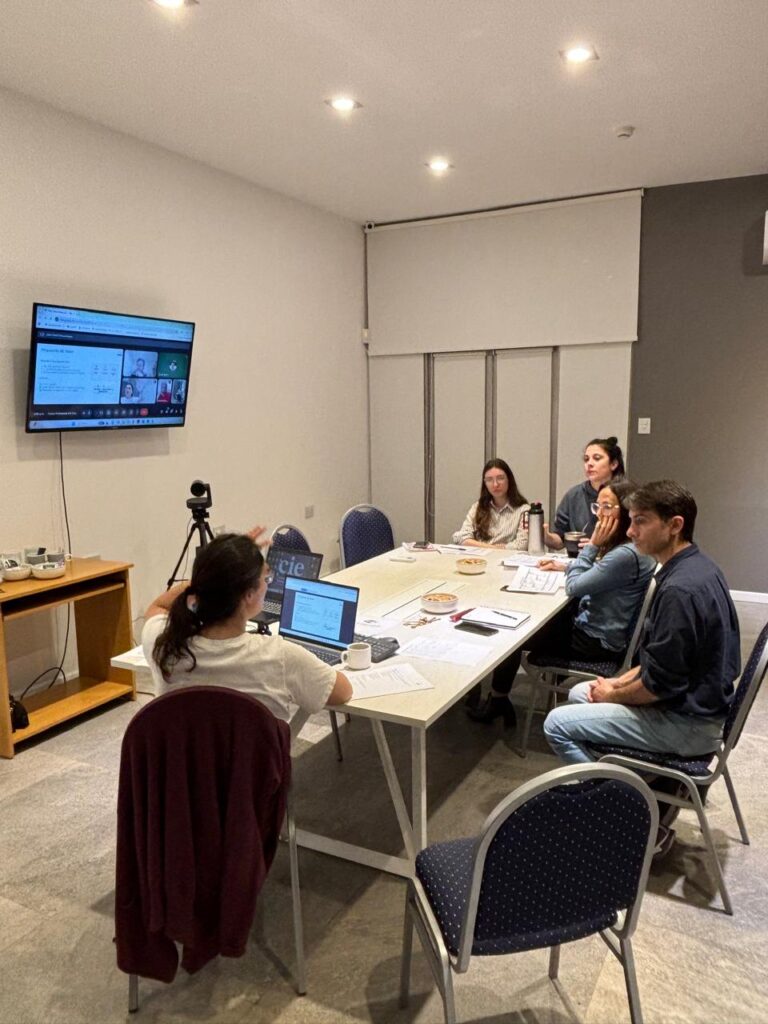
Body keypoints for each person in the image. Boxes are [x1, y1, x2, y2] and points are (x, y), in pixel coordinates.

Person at [543, 479, 740, 766]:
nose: (630, 530)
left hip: (689, 724)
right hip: (697, 704)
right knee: (579, 692)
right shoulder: (698, 566)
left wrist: (613, 694)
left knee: (556, 724)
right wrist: (615, 683)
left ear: (674, 525)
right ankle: (626, 773)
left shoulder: (679, 592)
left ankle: (616, 797)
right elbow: (659, 663)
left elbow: (658, 686)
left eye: (641, 522)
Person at [468, 478, 654, 724]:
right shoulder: (632, 548)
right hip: (603, 633)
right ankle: (498, 697)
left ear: (628, 511)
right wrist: (565, 566)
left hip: (594, 641)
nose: (600, 515)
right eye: (597, 507)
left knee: (512, 634)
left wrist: (592, 546)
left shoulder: (624, 555)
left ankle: (497, 700)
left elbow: (575, 586)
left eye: (607, 507)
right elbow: (597, 573)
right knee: (527, 619)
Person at [141, 530, 352, 721]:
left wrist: (219, 566)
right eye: (265, 577)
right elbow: (343, 692)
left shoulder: (163, 643)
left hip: (181, 764)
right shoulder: (279, 657)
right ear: (249, 595)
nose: (267, 583)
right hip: (250, 765)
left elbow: (158, 605)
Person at [544, 436, 625, 549]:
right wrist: (544, 535)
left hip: (614, 559)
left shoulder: (627, 494)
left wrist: (595, 546)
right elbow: (560, 540)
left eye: (597, 458)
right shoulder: (574, 495)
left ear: (613, 464)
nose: (589, 464)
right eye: (586, 459)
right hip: (579, 559)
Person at [452, 458, 530, 550]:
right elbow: (461, 537)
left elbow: (522, 545)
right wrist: (495, 548)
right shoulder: (478, 507)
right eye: (489, 480)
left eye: (500, 478)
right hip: (479, 561)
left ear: (509, 480)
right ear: (485, 483)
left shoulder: (524, 510)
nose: (495, 484)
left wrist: (476, 544)